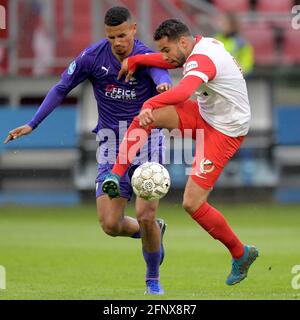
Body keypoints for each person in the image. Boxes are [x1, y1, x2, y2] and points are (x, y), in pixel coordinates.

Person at [3, 7, 172, 295]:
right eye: (111, 37)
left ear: (133, 30)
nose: (117, 42)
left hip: (148, 143)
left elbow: (160, 74)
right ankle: (154, 230)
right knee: (110, 224)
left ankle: (152, 280)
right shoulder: (92, 57)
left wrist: (163, 85)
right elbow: (61, 87)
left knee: (144, 214)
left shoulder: (145, 57)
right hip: (110, 145)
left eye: (122, 35)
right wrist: (33, 123)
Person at [102, 19, 259, 286]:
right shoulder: (201, 44)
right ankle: (116, 175)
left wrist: (150, 102)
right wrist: (140, 61)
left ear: (183, 43)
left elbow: (184, 90)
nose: (164, 57)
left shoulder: (202, 59)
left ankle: (240, 253)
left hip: (225, 131)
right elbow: (173, 62)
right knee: (146, 119)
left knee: (192, 203)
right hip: (207, 113)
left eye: (166, 49)